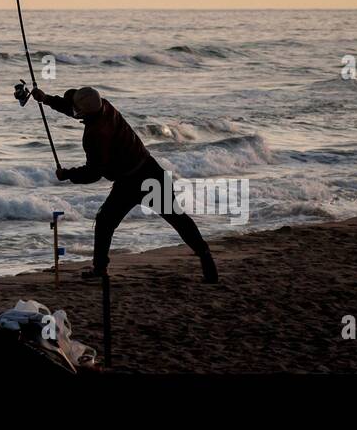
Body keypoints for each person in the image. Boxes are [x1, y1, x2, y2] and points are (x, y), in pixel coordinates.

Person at [26, 85, 218, 283]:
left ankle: (100, 269)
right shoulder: (105, 107)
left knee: (105, 222)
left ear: (84, 111)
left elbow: (93, 173)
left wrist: (67, 174)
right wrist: (47, 99)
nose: (74, 109)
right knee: (177, 219)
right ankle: (206, 259)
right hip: (149, 171)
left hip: (132, 181)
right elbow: (74, 109)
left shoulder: (96, 134)